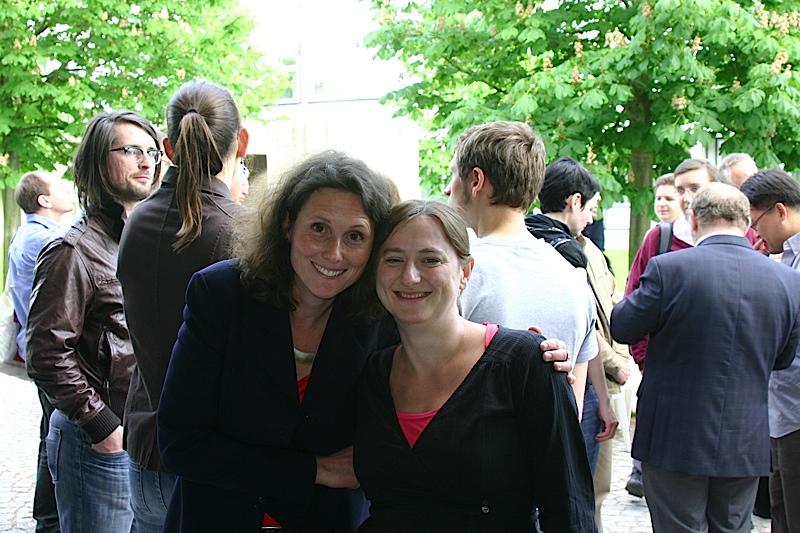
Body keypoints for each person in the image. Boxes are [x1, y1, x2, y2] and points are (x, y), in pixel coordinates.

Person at [157, 150, 572, 532]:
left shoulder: (378, 315)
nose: (334, 252)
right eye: (319, 229)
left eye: (355, 236)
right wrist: (314, 470)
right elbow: (179, 443)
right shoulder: (224, 295)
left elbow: (441, 337)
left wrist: (522, 356)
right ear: (287, 225)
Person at [354, 200, 595, 531]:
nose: (409, 276)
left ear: (465, 272)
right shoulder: (374, 373)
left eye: (430, 260)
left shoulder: (523, 363)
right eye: (394, 259)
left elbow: (568, 507)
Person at [612, 182, 800, 533]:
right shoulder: (787, 281)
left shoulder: (669, 269)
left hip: (673, 436)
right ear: (745, 223)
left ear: (694, 220)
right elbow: (784, 357)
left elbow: (622, 326)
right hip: (745, 438)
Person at [118, 81, 248, 532]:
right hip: (207, 461)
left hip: (145, 451)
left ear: (168, 147)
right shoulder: (242, 232)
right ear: (241, 141)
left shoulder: (137, 220)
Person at [26, 111, 161, 533]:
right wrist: (101, 425)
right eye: (131, 150)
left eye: (152, 152)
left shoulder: (139, 240)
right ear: (99, 161)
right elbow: (46, 352)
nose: (146, 161)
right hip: (97, 442)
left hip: (137, 436)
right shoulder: (73, 249)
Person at [445, 121, 598, 414]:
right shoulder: (575, 279)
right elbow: (573, 408)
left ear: (476, 180)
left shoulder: (458, 274)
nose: (446, 188)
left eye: (452, 174)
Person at [527, 157, 629, 532]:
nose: (592, 217)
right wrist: (600, 392)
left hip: (565, 382)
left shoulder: (535, 241)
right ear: (573, 201)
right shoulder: (567, 253)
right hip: (566, 386)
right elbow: (589, 334)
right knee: (568, 495)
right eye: (592, 207)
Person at [8, 170, 73, 533]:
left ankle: (47, 520)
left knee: (50, 434)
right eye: (58, 186)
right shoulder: (46, 240)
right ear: (44, 200)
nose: (67, 189)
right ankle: (49, 522)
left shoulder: (29, 235)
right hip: (49, 354)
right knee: (54, 438)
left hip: (36, 350)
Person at [740, 169, 800, 533]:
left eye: (755, 222)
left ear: (780, 211)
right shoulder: (786, 257)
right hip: (781, 412)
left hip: (795, 412)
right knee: (781, 513)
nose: (755, 234)